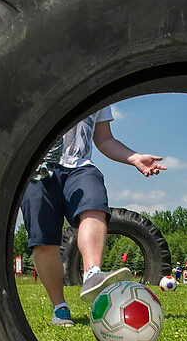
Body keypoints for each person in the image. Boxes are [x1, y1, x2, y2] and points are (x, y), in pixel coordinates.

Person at [21, 106, 166, 326]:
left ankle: (92, 274)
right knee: (43, 239)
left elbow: (105, 139)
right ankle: (59, 307)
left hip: (79, 167)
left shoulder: (96, 89)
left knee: (94, 202)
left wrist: (134, 158)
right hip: (37, 166)